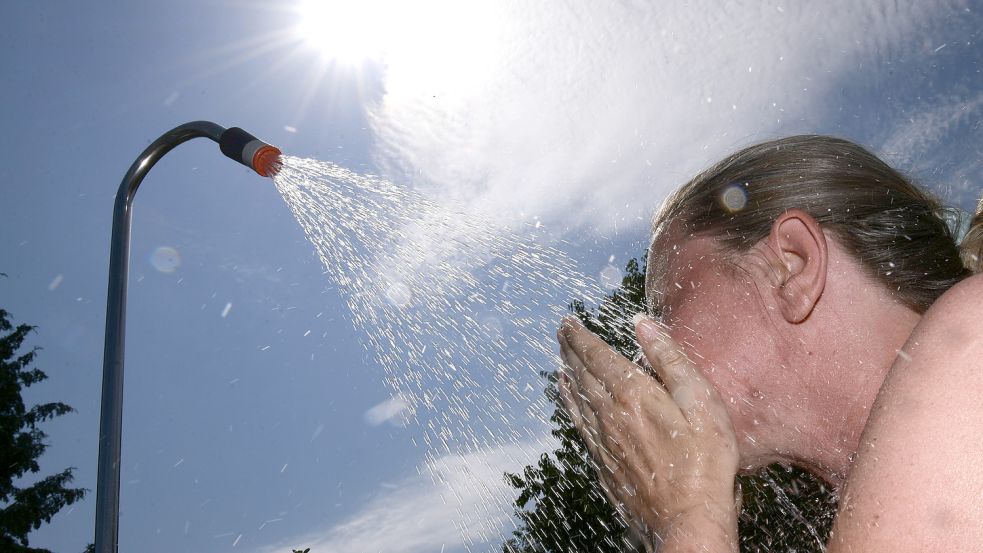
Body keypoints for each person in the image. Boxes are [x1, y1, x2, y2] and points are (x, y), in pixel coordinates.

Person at [556, 135, 983, 552]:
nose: (645, 355)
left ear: (790, 266)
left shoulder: (973, 334)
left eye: (669, 306)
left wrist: (688, 518)